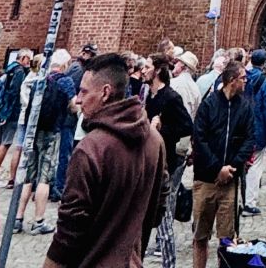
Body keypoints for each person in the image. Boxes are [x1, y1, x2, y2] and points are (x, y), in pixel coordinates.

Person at [41, 50, 167, 268]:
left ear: (105, 92)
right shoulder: (155, 141)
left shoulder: (91, 149)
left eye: (84, 91)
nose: (78, 99)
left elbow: (69, 230)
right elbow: (158, 209)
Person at [191, 60, 254, 268]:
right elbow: (199, 139)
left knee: (227, 239)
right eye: (243, 78)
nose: (246, 82)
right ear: (232, 80)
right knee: (200, 235)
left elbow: (249, 139)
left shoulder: (244, 106)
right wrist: (217, 167)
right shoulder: (209, 105)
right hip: (206, 179)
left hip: (230, 181)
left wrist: (231, 168)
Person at [14, 48, 76, 237]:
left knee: (29, 176)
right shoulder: (65, 81)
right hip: (52, 131)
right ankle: (39, 221)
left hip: (34, 131)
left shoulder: (41, 78)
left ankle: (17, 218)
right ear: (64, 64)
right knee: (44, 178)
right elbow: (74, 106)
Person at [148, 56, 194, 268]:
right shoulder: (151, 95)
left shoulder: (171, 97)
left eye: (147, 67)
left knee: (165, 216)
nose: (143, 70)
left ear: (157, 71)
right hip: (151, 160)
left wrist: (162, 129)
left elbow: (187, 126)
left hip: (167, 163)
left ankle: (169, 263)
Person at [51, 44, 93, 202]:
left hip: (60, 119)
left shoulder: (74, 68)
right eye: (87, 53)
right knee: (64, 154)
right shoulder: (77, 69)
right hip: (67, 119)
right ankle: (58, 187)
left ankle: (52, 185)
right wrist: (79, 110)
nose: (89, 56)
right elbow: (73, 97)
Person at [0, 50, 31, 180]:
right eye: (28, 59)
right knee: (5, 143)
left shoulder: (9, 69)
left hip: (2, 109)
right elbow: (14, 93)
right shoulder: (19, 72)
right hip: (11, 112)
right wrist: (7, 113)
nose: (29, 62)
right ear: (23, 58)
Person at [242, 49, 266, 216]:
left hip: (240, 128)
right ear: (264, 64)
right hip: (257, 130)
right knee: (254, 166)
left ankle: (237, 200)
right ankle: (249, 203)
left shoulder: (242, 78)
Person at [172, 52, 203, 118]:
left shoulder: (173, 83)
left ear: (182, 65)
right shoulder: (196, 88)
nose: (175, 65)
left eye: (177, 62)